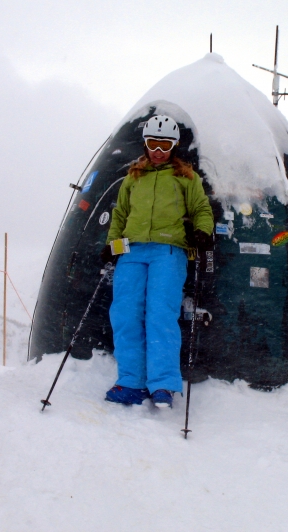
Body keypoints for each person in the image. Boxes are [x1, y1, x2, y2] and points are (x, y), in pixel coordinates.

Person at [100, 115, 214, 408]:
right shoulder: (133, 177)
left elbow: (201, 207)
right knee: (126, 315)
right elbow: (120, 215)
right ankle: (131, 382)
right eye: (153, 143)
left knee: (160, 316)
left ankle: (163, 384)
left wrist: (203, 232)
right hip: (132, 251)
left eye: (165, 144)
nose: (158, 150)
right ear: (146, 144)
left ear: (174, 145)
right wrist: (111, 246)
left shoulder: (186, 177)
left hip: (168, 250)